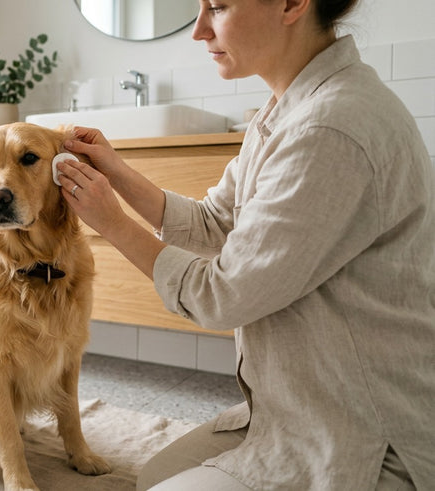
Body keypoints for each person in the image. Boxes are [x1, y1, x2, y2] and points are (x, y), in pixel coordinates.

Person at [55, 0, 435, 489]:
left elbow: (223, 295)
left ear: (293, 4)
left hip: (364, 432)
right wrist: (118, 173)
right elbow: (216, 221)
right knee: (155, 476)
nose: (198, 31)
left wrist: (111, 222)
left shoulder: (331, 126)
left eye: (217, 6)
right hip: (299, 407)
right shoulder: (286, 110)